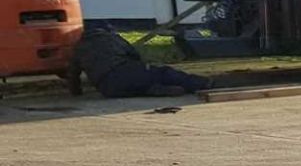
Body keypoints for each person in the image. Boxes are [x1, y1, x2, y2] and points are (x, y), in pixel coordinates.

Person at [68, 23, 212, 98]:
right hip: (123, 71)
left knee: (134, 87)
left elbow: (73, 75)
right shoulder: (111, 38)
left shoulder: (78, 48)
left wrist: (76, 93)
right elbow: (134, 55)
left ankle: (151, 90)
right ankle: (202, 83)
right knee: (163, 73)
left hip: (107, 88)